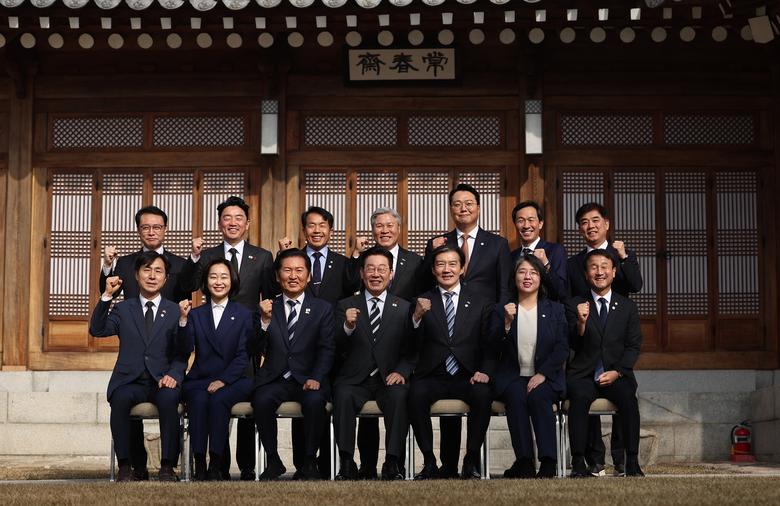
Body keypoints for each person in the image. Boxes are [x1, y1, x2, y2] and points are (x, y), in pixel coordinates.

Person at [421, 183, 512, 477]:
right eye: (457, 204)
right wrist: (430, 254)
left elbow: (503, 287)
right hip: (444, 332)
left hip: (480, 330)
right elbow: (424, 283)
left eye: (469, 203)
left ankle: (471, 462)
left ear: (479, 207)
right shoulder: (438, 243)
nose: (463, 208)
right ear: (451, 209)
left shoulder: (497, 244)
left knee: (478, 393)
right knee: (443, 401)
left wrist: (499, 322)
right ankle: (447, 465)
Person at [189, 195, 277, 480]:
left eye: (239, 218)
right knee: (216, 402)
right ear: (219, 223)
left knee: (244, 410)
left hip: (246, 342)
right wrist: (194, 258)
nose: (233, 222)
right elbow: (191, 285)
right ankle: (220, 465)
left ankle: (248, 465)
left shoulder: (262, 256)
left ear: (247, 223)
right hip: (213, 340)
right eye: (227, 217)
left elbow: (270, 297)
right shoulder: (207, 256)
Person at [89, 251, 189, 482]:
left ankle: (167, 466)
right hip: (129, 379)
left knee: (169, 399)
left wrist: (174, 374)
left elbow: (183, 351)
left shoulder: (175, 311)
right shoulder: (124, 309)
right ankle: (127, 465)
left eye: (158, 271)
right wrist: (107, 296)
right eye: (147, 270)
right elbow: (97, 329)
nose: (152, 276)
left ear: (166, 278)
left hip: (162, 380)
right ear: (136, 275)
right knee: (120, 399)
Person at [279, 205, 360, 478]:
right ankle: (303, 464)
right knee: (304, 405)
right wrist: (282, 255)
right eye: (311, 225)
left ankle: (327, 464)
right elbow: (277, 287)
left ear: (330, 230)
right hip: (298, 350)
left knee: (327, 406)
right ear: (304, 230)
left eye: (322, 225)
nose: (316, 230)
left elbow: (353, 288)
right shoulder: (293, 261)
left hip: (335, 347)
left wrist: (356, 256)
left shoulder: (342, 262)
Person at [408, 245, 498, 480]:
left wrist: (485, 371)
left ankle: (471, 459)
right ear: (433, 270)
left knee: (482, 394)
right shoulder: (421, 301)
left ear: (462, 268)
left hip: (467, 374)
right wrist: (416, 317)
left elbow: (490, 343)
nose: (446, 269)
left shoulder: (480, 301)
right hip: (433, 374)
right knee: (415, 394)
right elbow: (409, 344)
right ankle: (429, 461)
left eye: (452, 264)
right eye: (440, 264)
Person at [566, 202, 643, 476]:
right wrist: (580, 322)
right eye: (584, 222)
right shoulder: (574, 273)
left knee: (627, 397)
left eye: (596, 220)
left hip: (615, 361)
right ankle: (584, 461)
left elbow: (633, 343)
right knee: (579, 397)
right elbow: (571, 339)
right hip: (585, 365)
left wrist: (618, 371)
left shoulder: (622, 263)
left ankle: (628, 461)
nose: (599, 272)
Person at [249, 249, 336, 481]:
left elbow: (327, 349)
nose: (293, 276)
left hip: (308, 378)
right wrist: (264, 321)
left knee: (315, 401)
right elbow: (254, 348)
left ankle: (309, 461)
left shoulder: (322, 308)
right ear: (278, 276)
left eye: (299, 270)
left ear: (308, 276)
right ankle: (273, 460)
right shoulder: (268, 307)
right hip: (275, 378)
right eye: (287, 270)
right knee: (261, 400)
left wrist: (317, 377)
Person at [350, 207, 423, 476]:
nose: (385, 230)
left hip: (397, 352)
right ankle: (367, 465)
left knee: (398, 402)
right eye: (379, 226)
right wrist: (355, 256)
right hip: (364, 351)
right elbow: (348, 289)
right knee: (366, 420)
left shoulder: (415, 262)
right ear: (372, 230)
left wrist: (405, 367)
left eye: (390, 225)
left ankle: (394, 463)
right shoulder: (362, 259)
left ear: (399, 229)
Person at [332, 247, 416, 481]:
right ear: (362, 273)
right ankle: (346, 462)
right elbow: (334, 345)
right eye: (370, 269)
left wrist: (402, 371)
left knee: (399, 396)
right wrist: (347, 327)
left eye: (382, 269)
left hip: (388, 378)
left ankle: (392, 463)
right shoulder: (345, 305)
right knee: (342, 395)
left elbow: (413, 348)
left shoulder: (404, 307)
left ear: (391, 274)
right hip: (354, 379)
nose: (376, 274)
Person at [181, 259, 255, 481]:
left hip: (234, 379)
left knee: (218, 400)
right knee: (198, 400)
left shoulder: (244, 314)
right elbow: (184, 349)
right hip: (201, 378)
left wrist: (224, 380)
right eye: (213, 277)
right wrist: (183, 321)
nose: (218, 282)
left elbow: (243, 355)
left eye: (224, 277)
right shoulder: (195, 314)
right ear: (206, 281)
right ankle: (199, 461)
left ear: (232, 281)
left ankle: (216, 462)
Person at [495, 254, 568, 479]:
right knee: (516, 397)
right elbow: (491, 346)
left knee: (538, 396)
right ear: (514, 277)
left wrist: (543, 373)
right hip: (512, 376)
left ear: (541, 278)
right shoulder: (501, 310)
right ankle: (524, 461)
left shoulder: (555, 310)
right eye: (522, 272)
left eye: (533, 273)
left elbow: (562, 347)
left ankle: (548, 461)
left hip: (546, 376)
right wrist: (506, 324)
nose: (527, 277)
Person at [99, 205, 193, 305]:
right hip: (133, 315)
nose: (151, 233)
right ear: (138, 230)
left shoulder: (180, 264)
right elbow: (109, 293)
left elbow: (186, 301)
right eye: (145, 228)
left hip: (169, 315)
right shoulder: (125, 263)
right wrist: (107, 265)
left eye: (157, 227)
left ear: (165, 229)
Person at [510, 201, 567, 302]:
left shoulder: (556, 250)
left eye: (531, 220)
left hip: (547, 309)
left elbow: (561, 291)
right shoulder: (512, 256)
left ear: (540, 224)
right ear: (515, 224)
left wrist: (546, 263)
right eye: (520, 221)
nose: (526, 225)